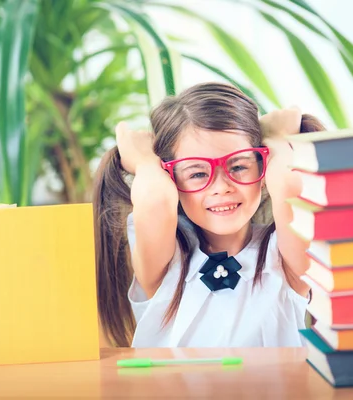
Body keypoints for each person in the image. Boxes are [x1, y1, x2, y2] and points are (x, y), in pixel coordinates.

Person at [92, 82, 326, 348]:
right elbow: (155, 198)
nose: (221, 187)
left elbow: (288, 185)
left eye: (238, 166)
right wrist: (145, 160)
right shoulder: (167, 262)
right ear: (170, 180)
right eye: (197, 173)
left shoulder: (284, 259)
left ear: (264, 169)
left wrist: (277, 142)